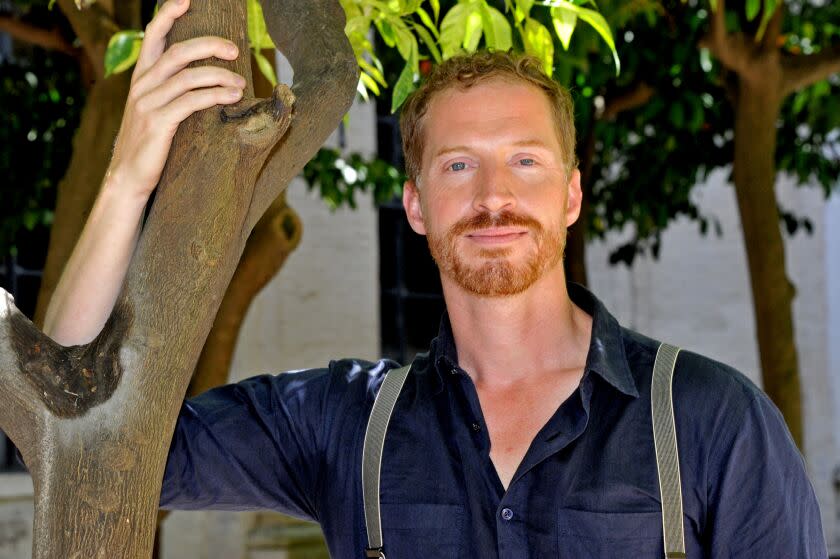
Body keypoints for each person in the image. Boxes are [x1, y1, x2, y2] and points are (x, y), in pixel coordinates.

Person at [44, 0, 827, 557]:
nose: (494, 196)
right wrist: (124, 180)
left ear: (573, 193)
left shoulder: (716, 422)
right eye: (459, 165)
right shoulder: (343, 421)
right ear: (416, 203)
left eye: (525, 160)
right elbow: (79, 428)